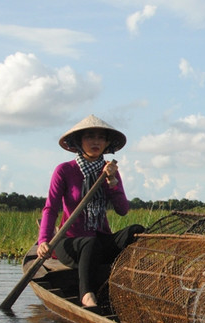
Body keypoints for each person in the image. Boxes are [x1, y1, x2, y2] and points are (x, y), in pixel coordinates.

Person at [37, 115, 145, 308]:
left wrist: (112, 181)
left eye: (101, 138)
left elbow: (122, 209)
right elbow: (51, 207)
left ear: (106, 143)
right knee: (90, 242)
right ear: (79, 141)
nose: (96, 141)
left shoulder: (109, 171)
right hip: (70, 243)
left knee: (136, 230)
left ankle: (129, 282)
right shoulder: (64, 170)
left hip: (99, 240)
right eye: (90, 137)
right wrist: (44, 241)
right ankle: (87, 294)